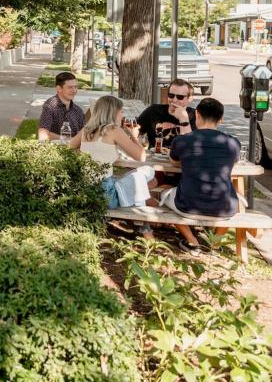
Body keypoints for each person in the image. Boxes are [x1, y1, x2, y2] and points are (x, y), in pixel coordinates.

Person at [159, 97, 241, 255]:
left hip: (187, 206)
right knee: (234, 198)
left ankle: (192, 241)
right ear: (221, 119)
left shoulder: (183, 140)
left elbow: (174, 161)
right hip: (224, 209)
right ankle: (215, 243)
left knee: (163, 195)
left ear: (197, 114)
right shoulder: (233, 143)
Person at [69, 95, 158, 215]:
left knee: (147, 182)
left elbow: (70, 146)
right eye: (121, 111)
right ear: (113, 112)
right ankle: (143, 220)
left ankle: (145, 213)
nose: (122, 115)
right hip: (106, 196)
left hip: (86, 191)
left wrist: (87, 151)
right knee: (149, 171)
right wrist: (133, 135)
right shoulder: (114, 129)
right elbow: (141, 157)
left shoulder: (87, 129)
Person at [136, 78, 197, 151]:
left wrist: (183, 118)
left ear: (190, 99)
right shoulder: (153, 111)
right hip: (155, 158)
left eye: (180, 97)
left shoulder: (196, 116)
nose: (174, 100)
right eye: (171, 95)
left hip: (181, 160)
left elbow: (193, 148)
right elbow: (135, 131)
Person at [37, 71, 85, 141]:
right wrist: (67, 139)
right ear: (59, 89)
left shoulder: (78, 110)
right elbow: (43, 133)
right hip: (55, 149)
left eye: (75, 87)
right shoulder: (50, 106)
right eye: (70, 87)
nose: (74, 90)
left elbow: (84, 133)